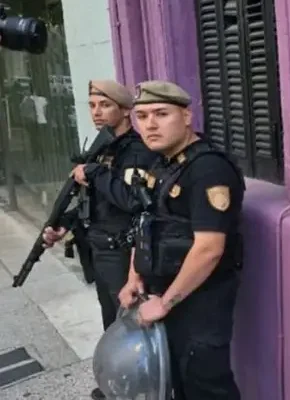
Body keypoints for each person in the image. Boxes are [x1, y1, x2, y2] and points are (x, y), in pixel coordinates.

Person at [118, 80, 245, 399]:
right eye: (142, 116)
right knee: (178, 384)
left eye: (161, 114)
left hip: (200, 302)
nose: (150, 124)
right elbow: (145, 222)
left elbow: (209, 249)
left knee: (205, 385)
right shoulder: (162, 163)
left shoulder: (208, 169)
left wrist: (165, 303)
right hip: (165, 294)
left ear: (186, 116)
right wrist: (134, 276)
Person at [41, 80, 160, 400]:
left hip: (122, 252)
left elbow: (132, 201)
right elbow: (94, 203)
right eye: (92, 105)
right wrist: (64, 225)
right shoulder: (103, 147)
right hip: (98, 249)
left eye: (105, 105)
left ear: (125, 110)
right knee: (112, 324)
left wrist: (94, 173)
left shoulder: (136, 151)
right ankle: (118, 384)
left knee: (133, 326)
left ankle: (142, 389)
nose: (96, 112)